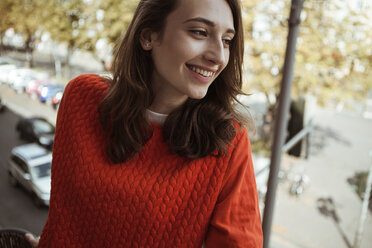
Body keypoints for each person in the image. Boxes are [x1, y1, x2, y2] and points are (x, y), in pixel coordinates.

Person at [26, 0, 263, 247]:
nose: (218, 56)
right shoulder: (80, 98)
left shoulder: (227, 141)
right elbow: (66, 219)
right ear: (148, 35)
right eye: (199, 32)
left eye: (227, 40)